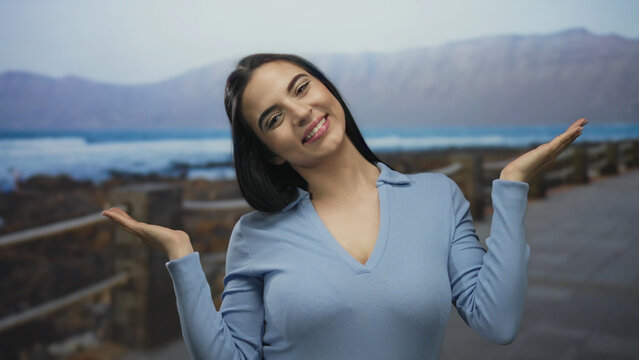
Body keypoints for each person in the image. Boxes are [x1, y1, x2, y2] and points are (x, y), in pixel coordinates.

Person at [101, 53, 588, 359]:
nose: (300, 113)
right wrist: (182, 258)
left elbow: (497, 321)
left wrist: (512, 185)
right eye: (273, 118)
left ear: (326, 88)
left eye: (301, 88)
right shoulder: (255, 236)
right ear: (270, 150)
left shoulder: (438, 198)